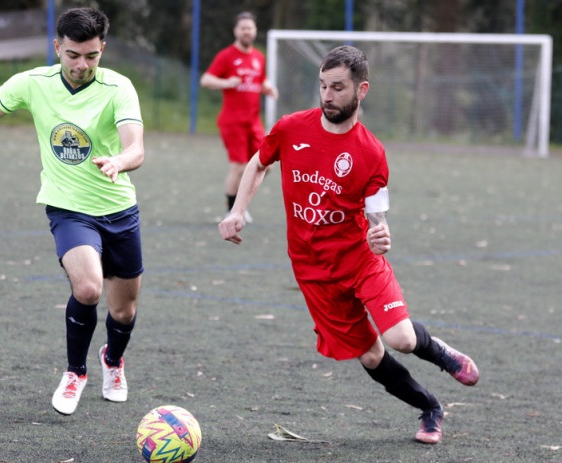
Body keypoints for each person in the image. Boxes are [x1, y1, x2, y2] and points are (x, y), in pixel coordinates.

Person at [218, 45, 479, 444]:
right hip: (312, 270)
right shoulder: (291, 128)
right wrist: (238, 210)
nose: (327, 96)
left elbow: (377, 215)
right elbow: (259, 161)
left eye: (338, 87)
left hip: (359, 261)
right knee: (371, 356)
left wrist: (381, 233)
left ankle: (442, 354)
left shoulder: (371, 152)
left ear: (362, 90)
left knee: (402, 340)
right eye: (322, 86)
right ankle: (430, 408)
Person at [0, 7, 145, 416]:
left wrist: (118, 162)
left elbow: (136, 147)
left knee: (124, 311)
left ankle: (113, 360)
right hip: (68, 208)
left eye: (91, 55)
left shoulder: (119, 87)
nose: (82, 65)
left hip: (118, 209)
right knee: (88, 288)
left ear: (102, 49)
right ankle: (74, 372)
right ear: (57, 47)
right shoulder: (32, 83)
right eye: (72, 55)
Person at [200, 11, 279, 223]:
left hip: (254, 121)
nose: (246, 31)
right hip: (232, 121)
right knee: (239, 166)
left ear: (254, 31)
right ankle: (232, 209)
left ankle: (240, 203)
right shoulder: (226, 56)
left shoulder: (258, 57)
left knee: (267, 164)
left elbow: (260, 80)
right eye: (242, 28)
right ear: (236, 31)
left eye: (250, 28)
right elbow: (206, 79)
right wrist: (226, 83)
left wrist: (268, 88)